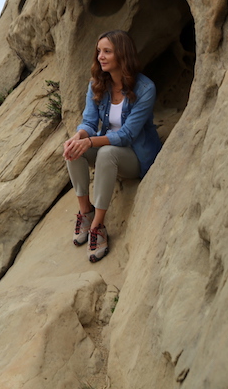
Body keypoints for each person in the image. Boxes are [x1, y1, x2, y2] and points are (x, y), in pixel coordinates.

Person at [62, 30, 162, 262]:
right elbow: (88, 121)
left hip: (135, 156)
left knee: (105, 152)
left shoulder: (145, 88)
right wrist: (79, 137)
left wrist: (90, 141)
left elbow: (127, 135)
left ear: (123, 55)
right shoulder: (97, 84)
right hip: (108, 147)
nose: (100, 57)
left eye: (107, 51)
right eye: (99, 51)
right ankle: (85, 212)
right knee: (72, 150)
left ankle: (98, 226)